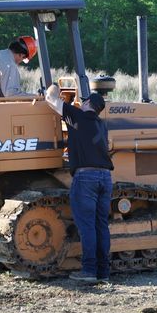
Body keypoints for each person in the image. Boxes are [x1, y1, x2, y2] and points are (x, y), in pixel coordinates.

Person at [45, 84, 114, 284]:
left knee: (87, 227)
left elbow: (51, 99)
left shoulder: (78, 116)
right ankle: (103, 272)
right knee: (101, 225)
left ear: (87, 104)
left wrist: (54, 87)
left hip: (86, 178)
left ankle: (89, 270)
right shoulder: (102, 125)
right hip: (105, 177)